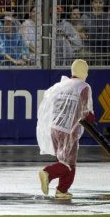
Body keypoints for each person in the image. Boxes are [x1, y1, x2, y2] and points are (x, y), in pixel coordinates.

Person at [37, 59, 94, 199]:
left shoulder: (61, 85)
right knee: (69, 163)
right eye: (86, 70)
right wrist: (91, 119)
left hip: (54, 128)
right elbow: (86, 111)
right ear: (83, 72)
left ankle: (62, 190)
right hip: (69, 130)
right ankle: (48, 173)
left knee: (64, 161)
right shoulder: (83, 87)